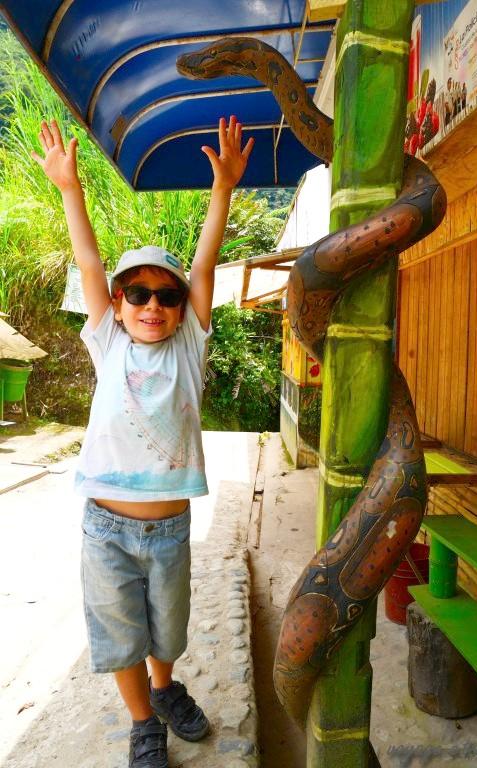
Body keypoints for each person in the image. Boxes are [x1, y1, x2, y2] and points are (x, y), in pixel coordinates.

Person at [32, 117, 254, 768]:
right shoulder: (108, 341)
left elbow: (205, 263)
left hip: (170, 531)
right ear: (118, 302)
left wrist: (223, 189)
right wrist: (69, 189)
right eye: (137, 293)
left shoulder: (188, 348)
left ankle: (164, 688)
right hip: (106, 530)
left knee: (167, 630)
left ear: (182, 307)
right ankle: (142, 722)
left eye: (165, 295)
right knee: (121, 635)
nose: (151, 304)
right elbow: (88, 260)